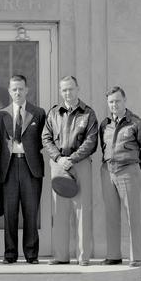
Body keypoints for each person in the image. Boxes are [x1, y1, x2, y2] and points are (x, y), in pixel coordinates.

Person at [41, 75, 99, 266]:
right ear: (60, 91)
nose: (68, 93)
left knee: (82, 211)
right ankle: (61, 256)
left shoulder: (88, 113)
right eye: (64, 90)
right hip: (58, 164)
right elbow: (46, 138)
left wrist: (72, 159)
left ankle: (83, 257)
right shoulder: (54, 113)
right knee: (60, 212)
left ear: (78, 88)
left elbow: (91, 141)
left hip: (80, 164)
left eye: (71, 89)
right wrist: (58, 158)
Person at [0, 73, 46, 264]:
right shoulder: (0, 115)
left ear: (26, 90)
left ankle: (31, 255)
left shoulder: (38, 113)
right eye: (14, 89)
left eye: (21, 89)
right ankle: (10, 254)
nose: (17, 92)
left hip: (31, 168)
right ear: (9, 91)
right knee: (10, 213)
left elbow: (43, 141)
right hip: (9, 168)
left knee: (31, 212)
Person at [99, 85, 141, 267]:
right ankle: (113, 255)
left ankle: (136, 257)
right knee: (111, 215)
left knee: (132, 215)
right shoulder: (105, 124)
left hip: (128, 171)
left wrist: (134, 166)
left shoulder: (136, 123)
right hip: (108, 172)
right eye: (111, 102)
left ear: (124, 101)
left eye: (117, 101)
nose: (114, 104)